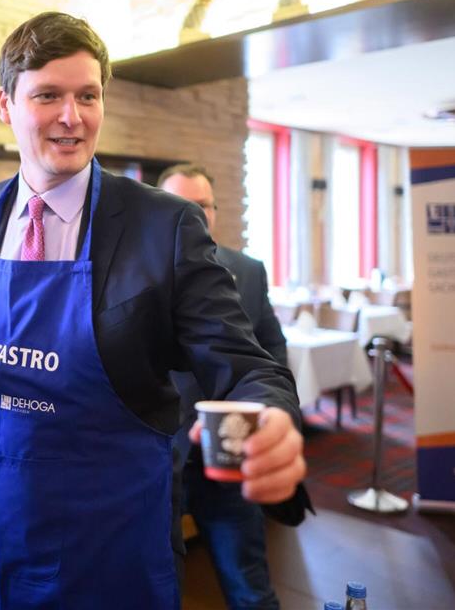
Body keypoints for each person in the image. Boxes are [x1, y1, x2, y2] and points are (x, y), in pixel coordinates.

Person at [0, 12, 305, 609]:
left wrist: (273, 417)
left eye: (88, 95)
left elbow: (243, 364)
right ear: (5, 105)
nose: (72, 117)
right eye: (48, 95)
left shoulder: (164, 224)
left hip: (112, 539)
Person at [160, 164, 293, 609]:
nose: (192, 215)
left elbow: (272, 352)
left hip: (233, 455)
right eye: (179, 205)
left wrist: (271, 412)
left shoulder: (249, 271)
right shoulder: (137, 272)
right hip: (160, 458)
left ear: (215, 210)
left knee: (250, 587)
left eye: (200, 205)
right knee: (156, 585)